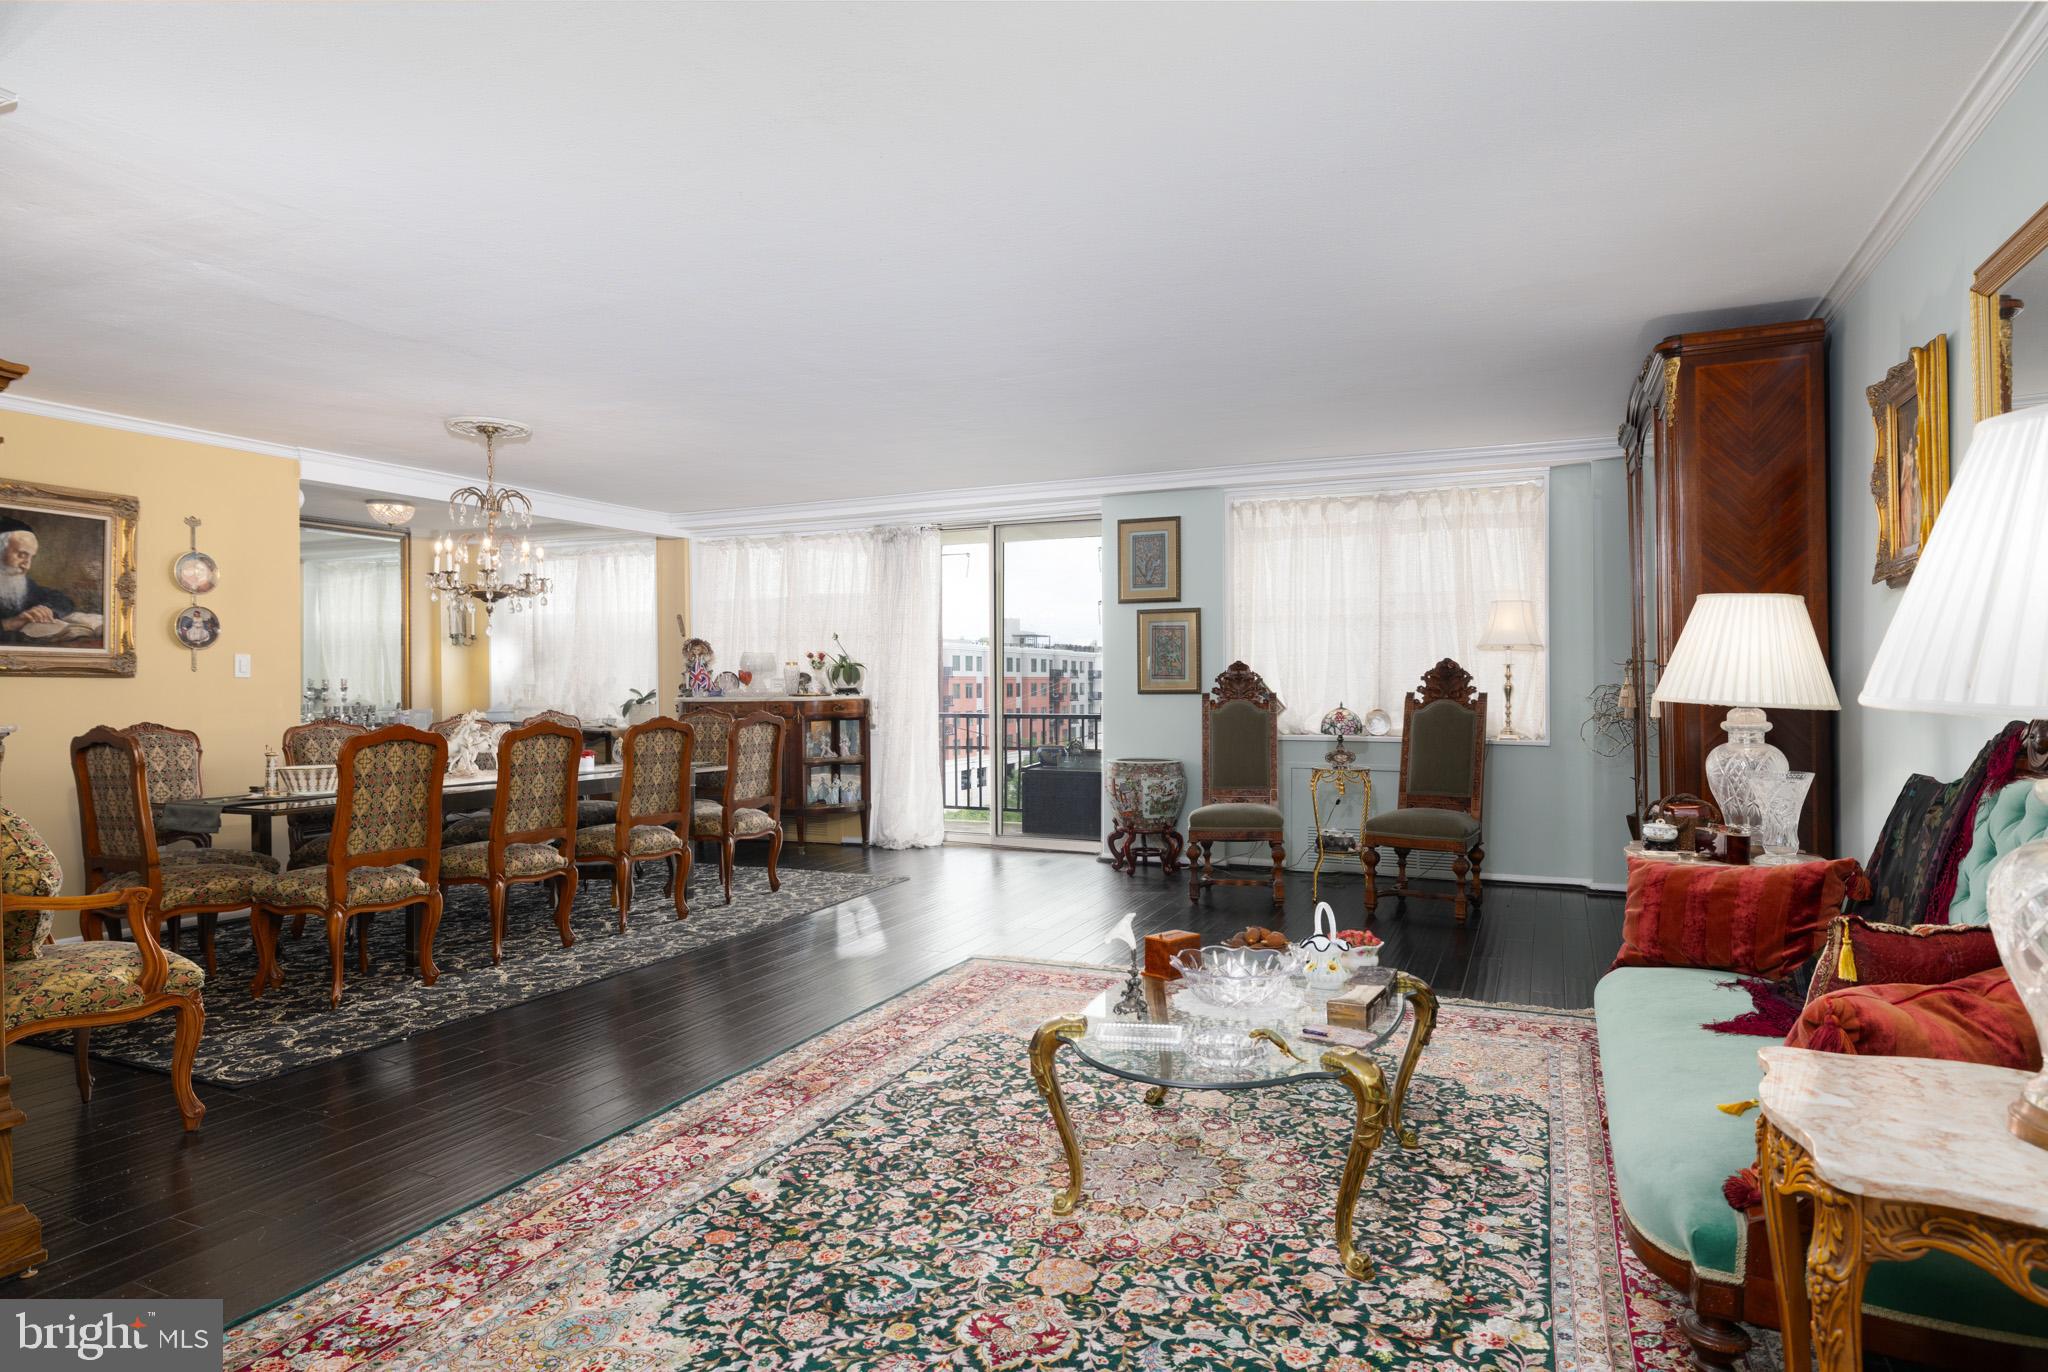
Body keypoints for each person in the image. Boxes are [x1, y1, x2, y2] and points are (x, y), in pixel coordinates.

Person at [0, 525, 78, 643]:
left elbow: (62, 599)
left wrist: (46, 610)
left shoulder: (22, 585)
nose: (27, 566)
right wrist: (8, 624)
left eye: (31, 558)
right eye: (21, 555)